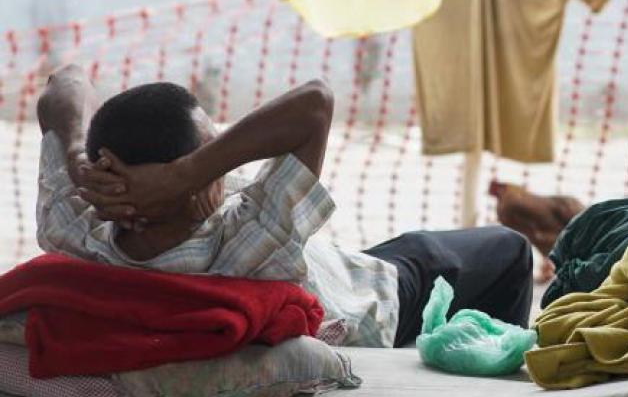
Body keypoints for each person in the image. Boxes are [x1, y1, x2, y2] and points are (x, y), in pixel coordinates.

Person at [35, 67, 532, 348]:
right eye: (207, 157)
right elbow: (315, 101)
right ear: (179, 184)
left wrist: (78, 159)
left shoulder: (77, 228)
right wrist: (187, 174)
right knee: (509, 250)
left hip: (331, 265)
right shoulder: (242, 244)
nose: (219, 170)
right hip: (377, 294)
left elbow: (66, 80)